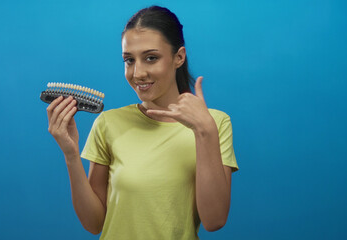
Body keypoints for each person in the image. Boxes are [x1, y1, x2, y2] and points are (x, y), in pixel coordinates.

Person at [46, 5, 238, 240]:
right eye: (129, 60)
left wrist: (204, 131)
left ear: (179, 57)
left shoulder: (215, 123)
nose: (137, 73)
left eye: (151, 58)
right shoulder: (108, 123)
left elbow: (215, 220)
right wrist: (71, 155)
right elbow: (94, 223)